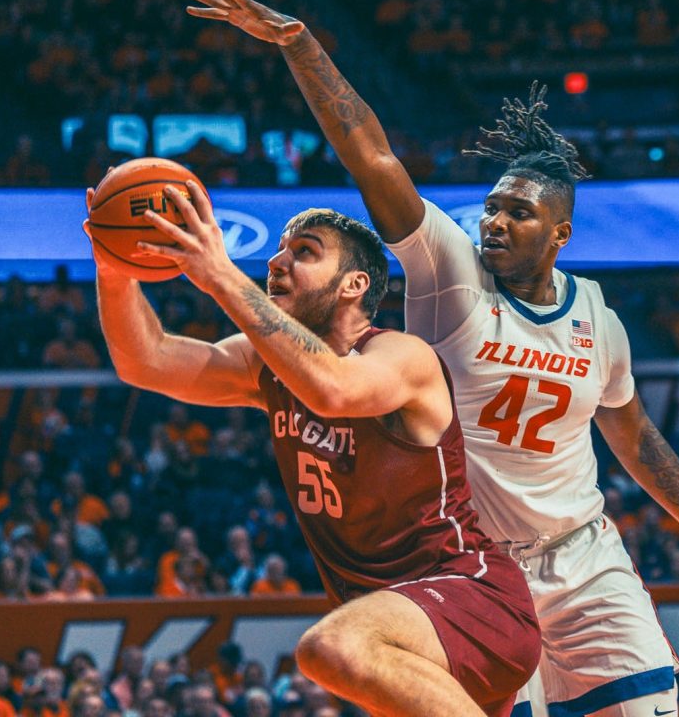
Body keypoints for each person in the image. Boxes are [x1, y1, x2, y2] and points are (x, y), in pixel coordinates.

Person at [183, 0, 679, 717]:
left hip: (584, 556)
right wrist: (301, 45)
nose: (495, 222)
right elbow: (370, 155)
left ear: (560, 233)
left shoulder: (598, 317)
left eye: (519, 213)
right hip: (480, 575)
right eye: (493, 206)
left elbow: (637, 442)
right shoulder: (449, 270)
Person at [88, 184, 541, 715]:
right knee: (342, 647)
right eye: (280, 250)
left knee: (330, 647)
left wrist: (219, 274)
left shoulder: (402, 356)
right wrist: (113, 268)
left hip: (470, 597)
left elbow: (334, 390)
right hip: (400, 632)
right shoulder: (267, 369)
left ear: (355, 284)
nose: (278, 262)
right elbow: (147, 360)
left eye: (304, 252)